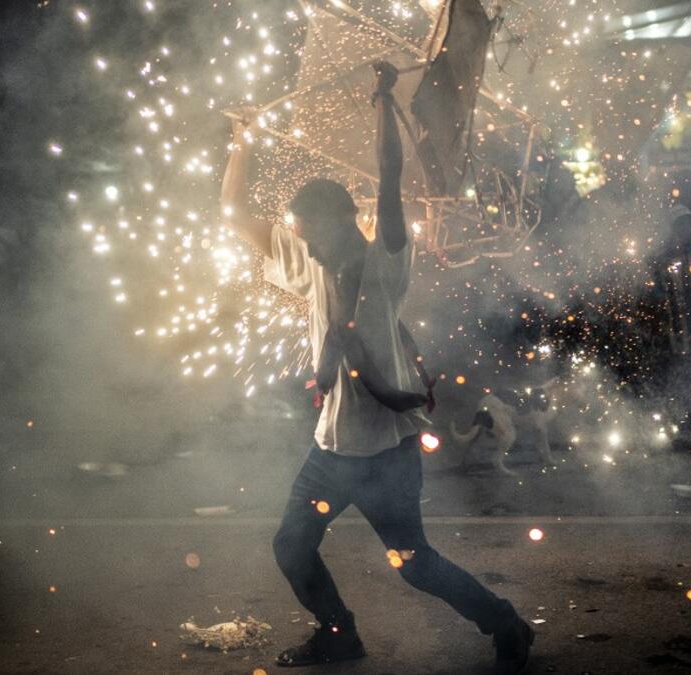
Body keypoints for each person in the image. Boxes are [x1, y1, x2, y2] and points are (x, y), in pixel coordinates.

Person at [219, 61, 533, 673]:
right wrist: (240, 141)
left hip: (387, 453)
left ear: (341, 223)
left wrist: (384, 101)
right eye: (299, 237)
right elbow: (233, 214)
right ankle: (339, 633)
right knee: (292, 546)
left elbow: (391, 176)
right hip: (332, 453)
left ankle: (505, 623)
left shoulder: (385, 261)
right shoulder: (312, 262)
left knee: (413, 563)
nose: (303, 246)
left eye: (311, 234)